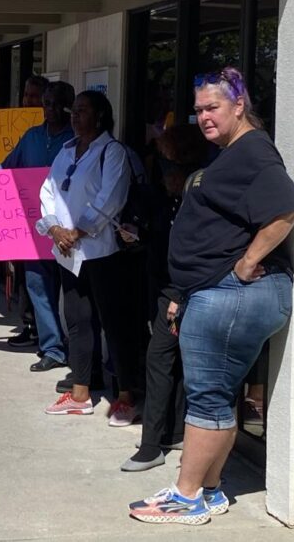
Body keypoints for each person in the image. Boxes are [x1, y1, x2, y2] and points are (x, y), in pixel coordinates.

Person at [128, 67, 294, 525]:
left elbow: (286, 208)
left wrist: (247, 264)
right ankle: (208, 490)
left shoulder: (253, 152)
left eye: (213, 108)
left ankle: (186, 496)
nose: (203, 117)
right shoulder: (232, 153)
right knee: (218, 396)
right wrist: (182, 291)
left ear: (239, 106)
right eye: (199, 109)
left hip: (231, 293)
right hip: (210, 291)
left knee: (207, 397)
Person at [38, 90, 142, 426]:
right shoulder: (68, 151)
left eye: (82, 111)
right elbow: (48, 191)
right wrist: (55, 229)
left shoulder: (112, 152)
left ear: (100, 117)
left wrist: (79, 231)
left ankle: (125, 396)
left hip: (100, 252)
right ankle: (80, 393)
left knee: (113, 324)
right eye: (74, 110)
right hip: (68, 253)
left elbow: (109, 197)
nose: (74, 115)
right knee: (78, 322)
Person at [121, 124, 209, 472]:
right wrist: (137, 234)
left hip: (181, 290)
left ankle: (151, 444)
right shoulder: (165, 196)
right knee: (172, 361)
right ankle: (172, 431)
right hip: (163, 286)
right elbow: (159, 237)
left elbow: (197, 250)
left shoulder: (197, 196)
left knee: (160, 360)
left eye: (168, 162)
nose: (162, 169)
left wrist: (181, 295)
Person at [0, 80, 75, 371]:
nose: (52, 109)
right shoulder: (31, 137)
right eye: (47, 103)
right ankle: (53, 348)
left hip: (71, 231)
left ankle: (80, 350)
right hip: (36, 230)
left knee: (72, 294)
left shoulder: (77, 141)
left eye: (58, 104)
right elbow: (4, 170)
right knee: (38, 287)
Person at [7, 74, 52, 346]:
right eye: (28, 95)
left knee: (55, 285)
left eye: (37, 97)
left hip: (65, 227)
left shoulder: (71, 139)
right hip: (29, 223)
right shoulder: (30, 135)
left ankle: (55, 338)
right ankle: (35, 329)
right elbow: (5, 167)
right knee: (32, 281)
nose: (30, 101)